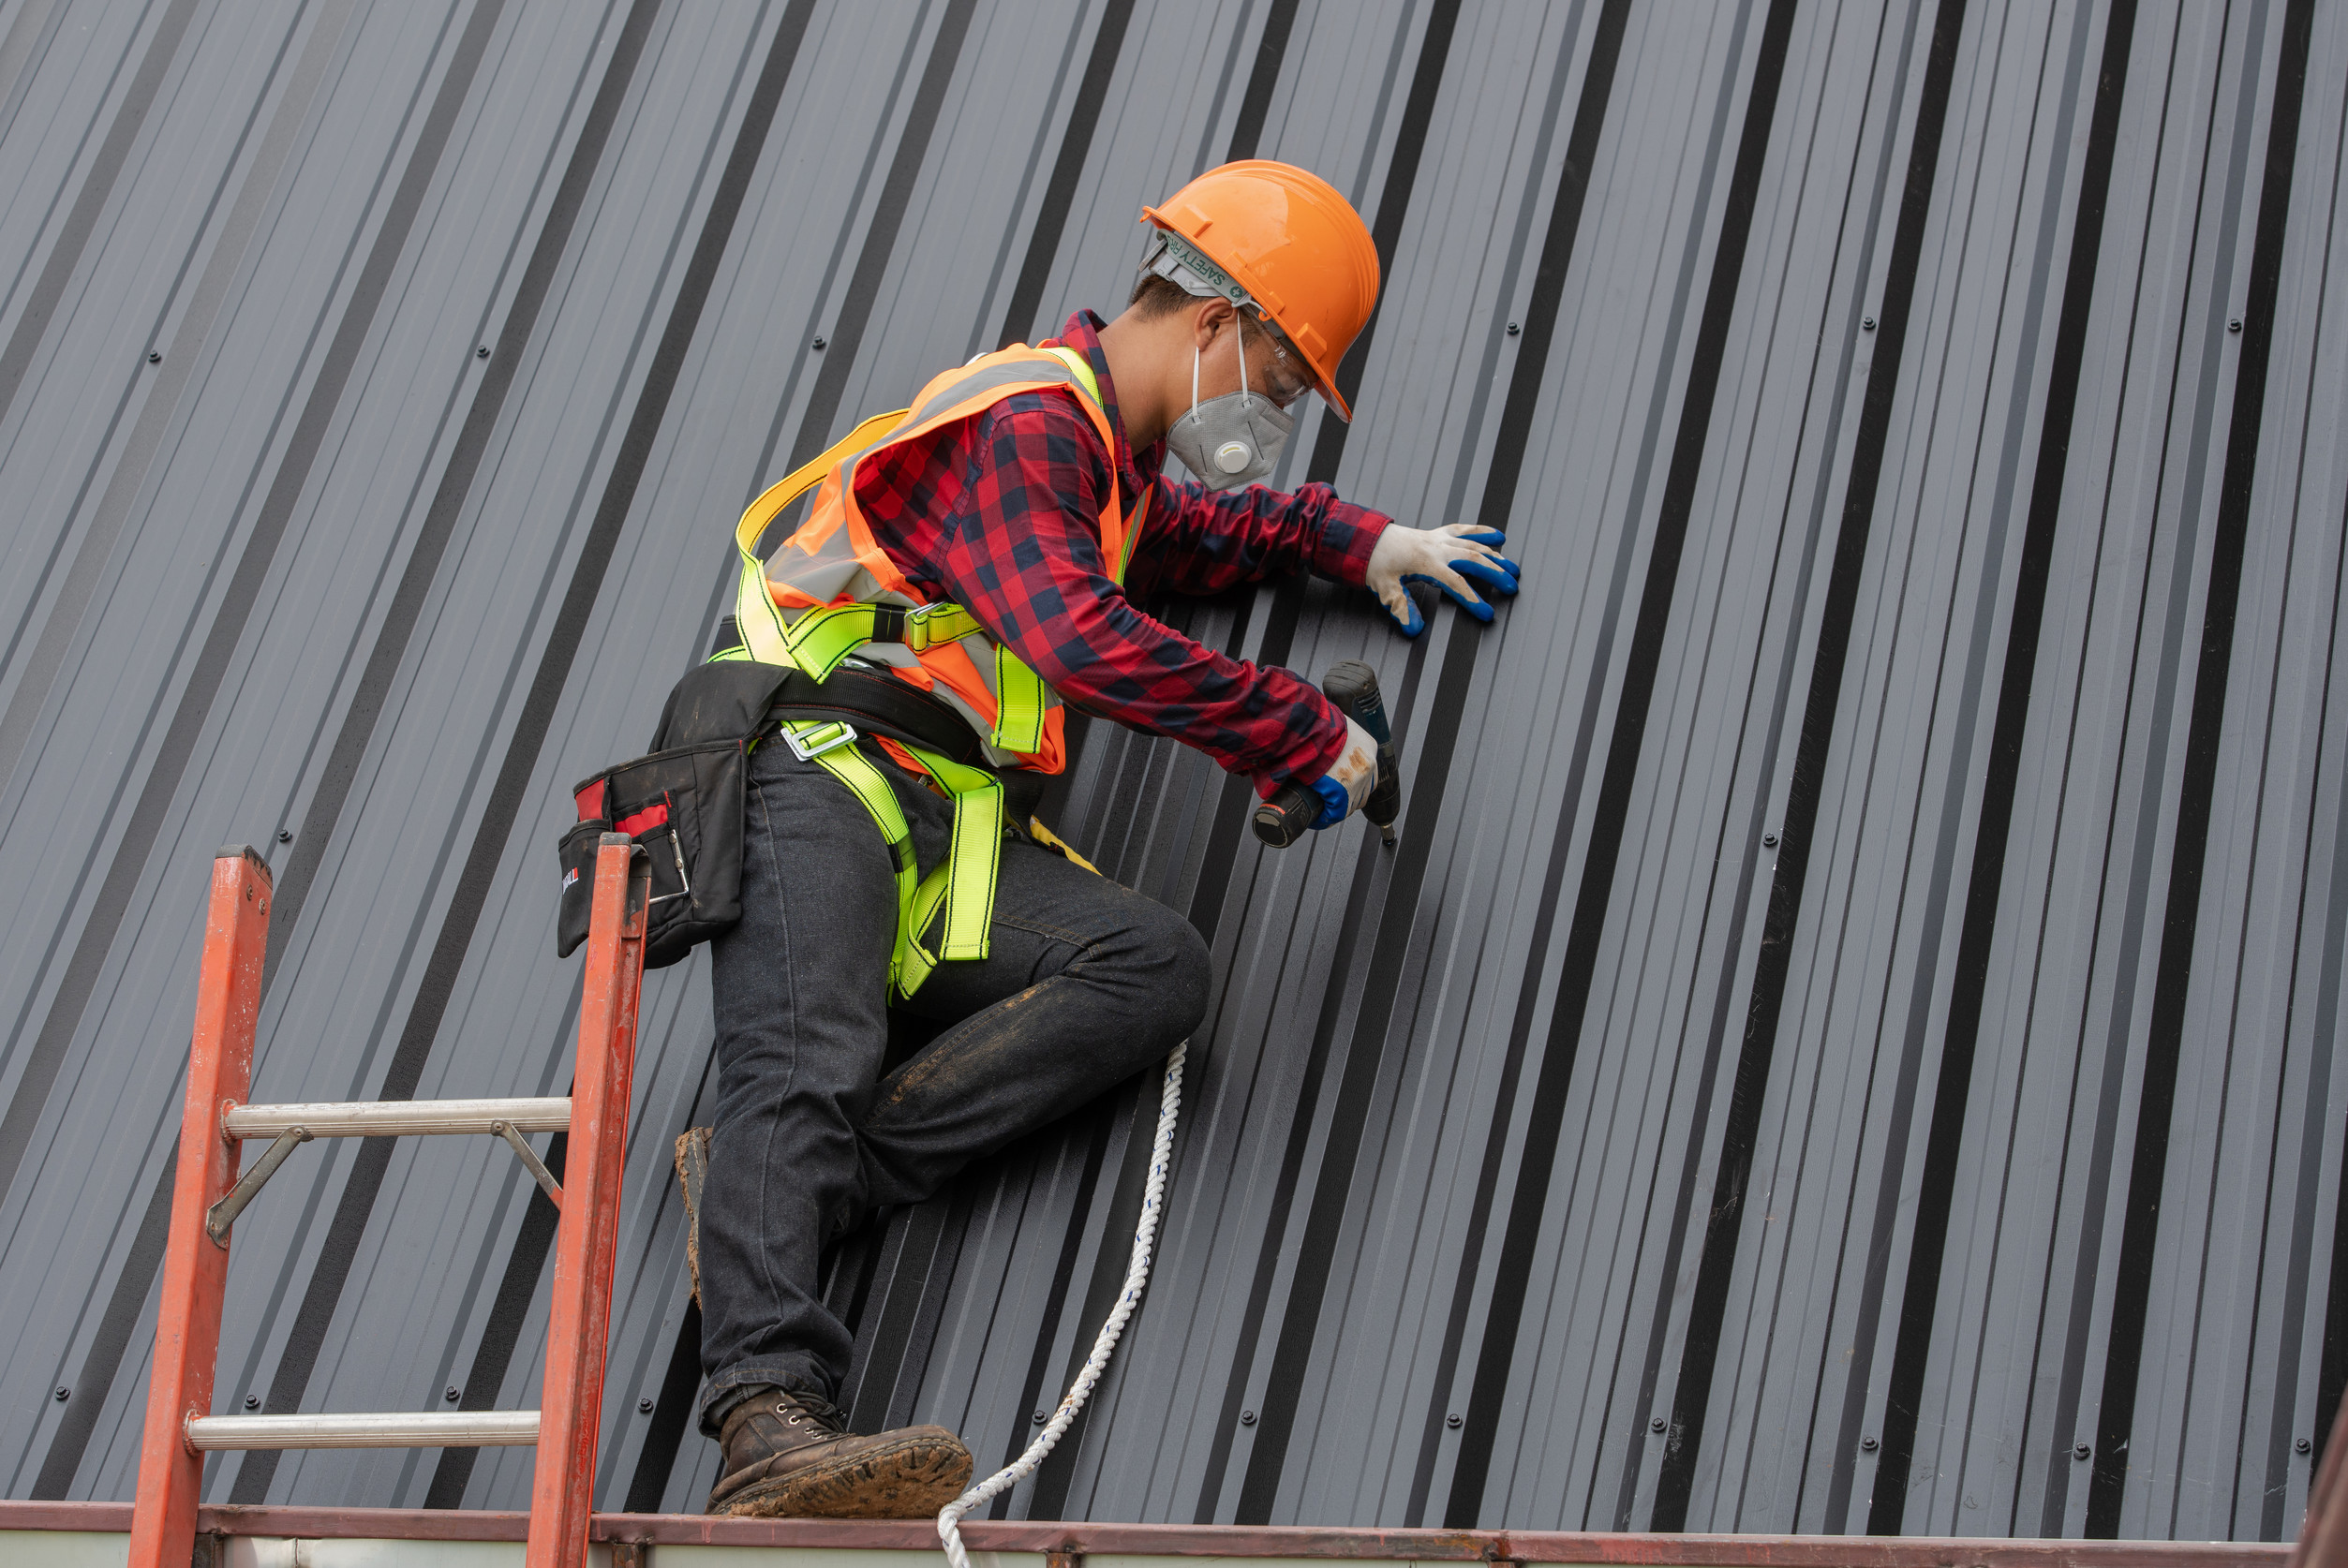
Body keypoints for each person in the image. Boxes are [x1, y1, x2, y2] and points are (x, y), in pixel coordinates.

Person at [690, 160, 1521, 1519]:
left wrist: (1359, 541)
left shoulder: (1105, 473)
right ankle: (768, 1420)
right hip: (815, 770)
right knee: (809, 1053)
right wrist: (1295, 729)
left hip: (935, 819)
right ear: (1212, 329)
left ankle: (775, 1198)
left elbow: (1200, 539)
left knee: (1152, 968)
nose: (1282, 414)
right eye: (1285, 379)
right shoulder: (1029, 422)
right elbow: (1075, 633)